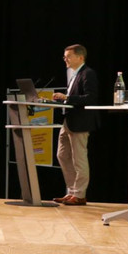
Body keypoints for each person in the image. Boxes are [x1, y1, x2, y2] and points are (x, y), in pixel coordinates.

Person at [52, 43, 100, 206]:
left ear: (80, 57)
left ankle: (80, 195)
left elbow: (90, 97)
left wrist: (66, 98)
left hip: (80, 122)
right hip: (68, 121)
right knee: (62, 155)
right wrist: (64, 98)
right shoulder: (74, 74)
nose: (65, 59)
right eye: (64, 56)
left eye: (69, 56)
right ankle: (72, 191)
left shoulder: (88, 73)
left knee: (79, 159)